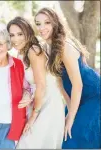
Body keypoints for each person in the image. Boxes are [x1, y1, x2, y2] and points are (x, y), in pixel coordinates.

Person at [34, 7, 100, 148]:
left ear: (55, 23)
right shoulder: (46, 47)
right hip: (75, 97)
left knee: (72, 137)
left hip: (93, 95)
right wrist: (70, 109)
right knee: (62, 133)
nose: (42, 27)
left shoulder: (64, 47)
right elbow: (60, 81)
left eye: (47, 23)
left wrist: (71, 117)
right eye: (38, 23)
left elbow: (78, 85)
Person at [7, 16, 65, 149]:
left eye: (20, 34)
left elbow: (41, 85)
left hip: (48, 105)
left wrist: (33, 115)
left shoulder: (34, 51)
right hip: (36, 102)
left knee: (28, 144)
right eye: (12, 35)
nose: (15, 39)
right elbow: (27, 85)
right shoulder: (21, 54)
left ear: (28, 32)